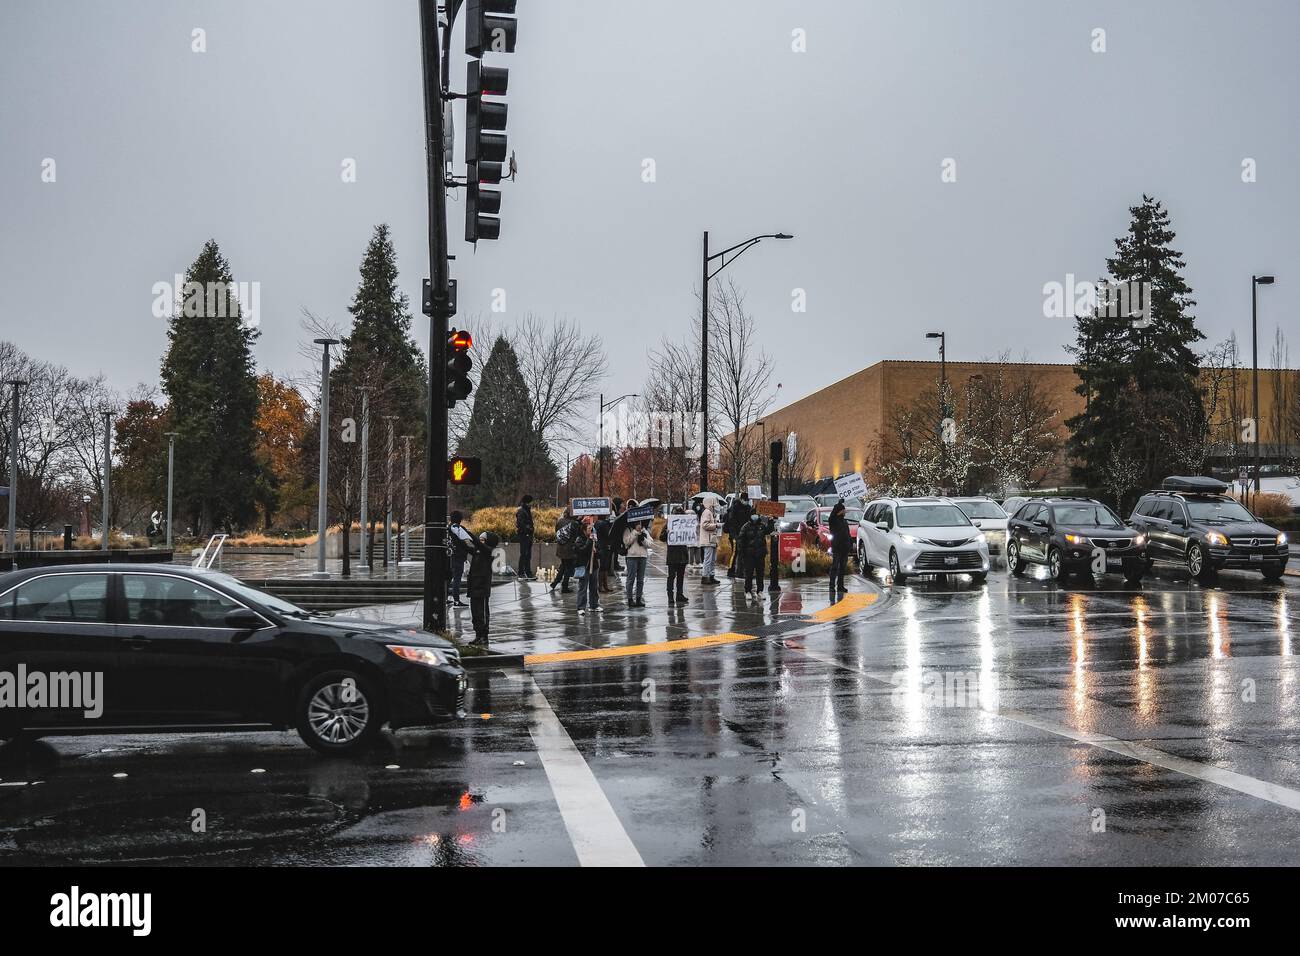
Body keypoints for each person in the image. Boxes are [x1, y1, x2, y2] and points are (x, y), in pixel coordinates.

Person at [466, 530, 499, 644]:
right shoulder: (477, 551)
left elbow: (478, 544)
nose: (480, 542)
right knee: (475, 614)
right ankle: (478, 635)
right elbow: (465, 547)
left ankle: (484, 636)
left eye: (482, 539)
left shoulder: (489, 552)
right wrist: (455, 534)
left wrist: (468, 533)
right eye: (480, 539)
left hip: (482, 587)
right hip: (473, 585)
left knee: (482, 613)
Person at [622, 500, 651, 608]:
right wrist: (635, 533)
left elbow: (649, 544)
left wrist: (642, 538)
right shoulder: (628, 529)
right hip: (632, 557)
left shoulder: (644, 531)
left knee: (640, 579)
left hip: (642, 556)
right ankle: (630, 599)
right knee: (631, 579)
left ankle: (638, 598)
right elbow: (626, 542)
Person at [660, 505, 690, 605]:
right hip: (673, 554)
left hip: (682, 553)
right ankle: (670, 596)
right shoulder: (669, 523)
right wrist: (667, 533)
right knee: (672, 576)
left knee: (680, 576)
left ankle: (679, 594)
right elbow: (661, 537)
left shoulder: (685, 524)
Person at [573, 516, 601, 615]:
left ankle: (594, 605)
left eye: (591, 528)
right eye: (589, 529)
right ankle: (581, 607)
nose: (591, 530)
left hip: (594, 566)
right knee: (583, 587)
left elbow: (599, 552)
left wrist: (596, 551)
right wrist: (589, 541)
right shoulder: (579, 539)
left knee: (594, 586)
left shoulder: (594, 539)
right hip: (584, 566)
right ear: (584, 531)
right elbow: (582, 550)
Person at [738, 512, 769, 596]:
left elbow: (768, 531)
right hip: (749, 555)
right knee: (749, 573)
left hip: (760, 554)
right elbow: (741, 540)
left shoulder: (762, 526)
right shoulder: (745, 527)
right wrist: (742, 553)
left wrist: (771, 521)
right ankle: (747, 590)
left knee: (760, 573)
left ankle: (760, 591)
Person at [448, 510, 474, 608]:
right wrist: (474, 551)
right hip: (458, 556)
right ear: (460, 519)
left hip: (449, 556)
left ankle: (446, 598)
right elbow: (467, 542)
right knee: (457, 578)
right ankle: (456, 600)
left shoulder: (448, 528)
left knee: (449, 577)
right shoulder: (458, 528)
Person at [726, 492, 753, 578]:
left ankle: (741, 571)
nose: (746, 501)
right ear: (741, 499)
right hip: (735, 534)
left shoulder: (748, 508)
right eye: (745, 500)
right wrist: (734, 536)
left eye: (747, 500)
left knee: (744, 553)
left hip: (745, 534)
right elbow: (731, 522)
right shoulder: (735, 508)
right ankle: (731, 570)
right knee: (735, 552)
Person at [828, 500, 852, 592]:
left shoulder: (844, 521)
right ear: (839, 511)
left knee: (842, 567)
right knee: (835, 567)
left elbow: (847, 533)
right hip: (837, 547)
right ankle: (831, 586)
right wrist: (839, 503)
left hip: (845, 547)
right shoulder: (833, 520)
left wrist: (849, 543)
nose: (844, 513)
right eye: (843, 511)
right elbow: (832, 516)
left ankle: (840, 586)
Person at [552, 505, 576, 593]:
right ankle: (564, 586)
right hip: (569, 548)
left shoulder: (559, 521)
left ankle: (555, 583)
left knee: (563, 565)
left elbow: (556, 531)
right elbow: (575, 535)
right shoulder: (573, 523)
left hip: (561, 547)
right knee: (568, 567)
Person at [698, 498, 720, 585]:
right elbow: (704, 525)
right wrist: (716, 525)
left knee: (712, 559)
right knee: (708, 559)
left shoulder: (710, 512)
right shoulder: (707, 512)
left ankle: (711, 575)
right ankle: (705, 576)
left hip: (711, 539)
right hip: (708, 540)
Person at [514, 495, 535, 579]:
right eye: (530, 502)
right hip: (524, 535)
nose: (531, 504)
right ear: (527, 502)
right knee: (524, 554)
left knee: (528, 555)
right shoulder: (521, 511)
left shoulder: (526, 510)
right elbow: (520, 523)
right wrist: (528, 529)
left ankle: (528, 572)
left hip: (528, 535)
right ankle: (521, 572)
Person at [595, 509, 615, 592]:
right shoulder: (603, 523)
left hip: (600, 546)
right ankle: (602, 586)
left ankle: (604, 585)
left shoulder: (597, 523)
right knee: (603, 567)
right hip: (604, 546)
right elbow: (609, 534)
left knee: (604, 567)